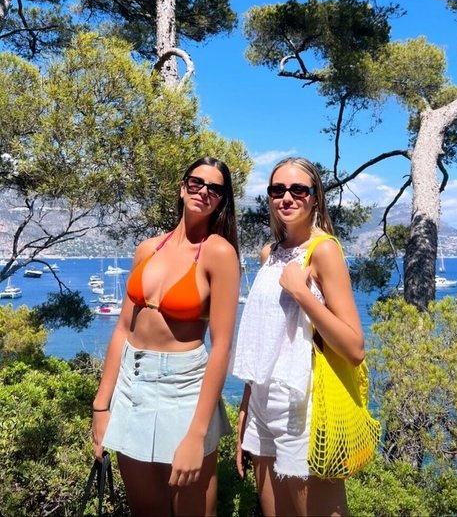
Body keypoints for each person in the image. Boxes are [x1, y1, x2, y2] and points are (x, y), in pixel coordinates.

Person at [92, 156, 240, 516]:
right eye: (196, 182)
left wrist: (196, 434)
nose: (203, 191)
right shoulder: (148, 249)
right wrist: (101, 405)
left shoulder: (219, 253)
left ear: (221, 200)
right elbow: (123, 329)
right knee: (146, 509)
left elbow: (221, 347)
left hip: (183, 391)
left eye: (214, 188)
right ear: (182, 188)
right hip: (132, 387)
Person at [231, 157, 364, 517]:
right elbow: (266, 340)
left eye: (298, 190)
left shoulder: (324, 251)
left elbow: (354, 347)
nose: (287, 198)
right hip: (262, 403)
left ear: (315, 197)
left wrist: (303, 294)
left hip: (304, 404)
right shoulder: (269, 253)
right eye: (278, 190)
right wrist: (246, 407)